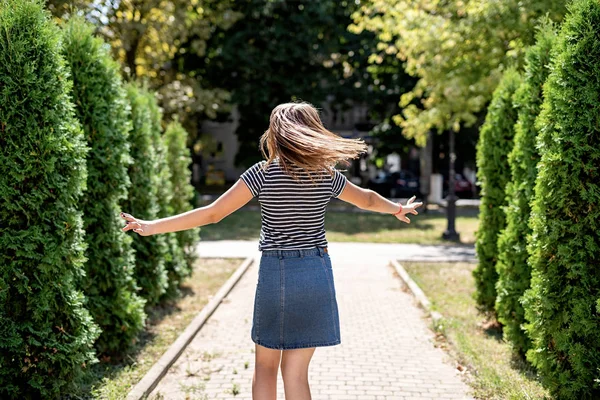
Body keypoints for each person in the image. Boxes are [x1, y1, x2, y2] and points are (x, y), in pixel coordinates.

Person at [120, 101, 423, 400]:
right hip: (317, 273)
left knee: (266, 368)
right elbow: (368, 199)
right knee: (296, 374)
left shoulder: (262, 174)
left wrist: (152, 225)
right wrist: (397, 208)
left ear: (277, 135)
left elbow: (213, 214)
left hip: (277, 273)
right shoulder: (325, 174)